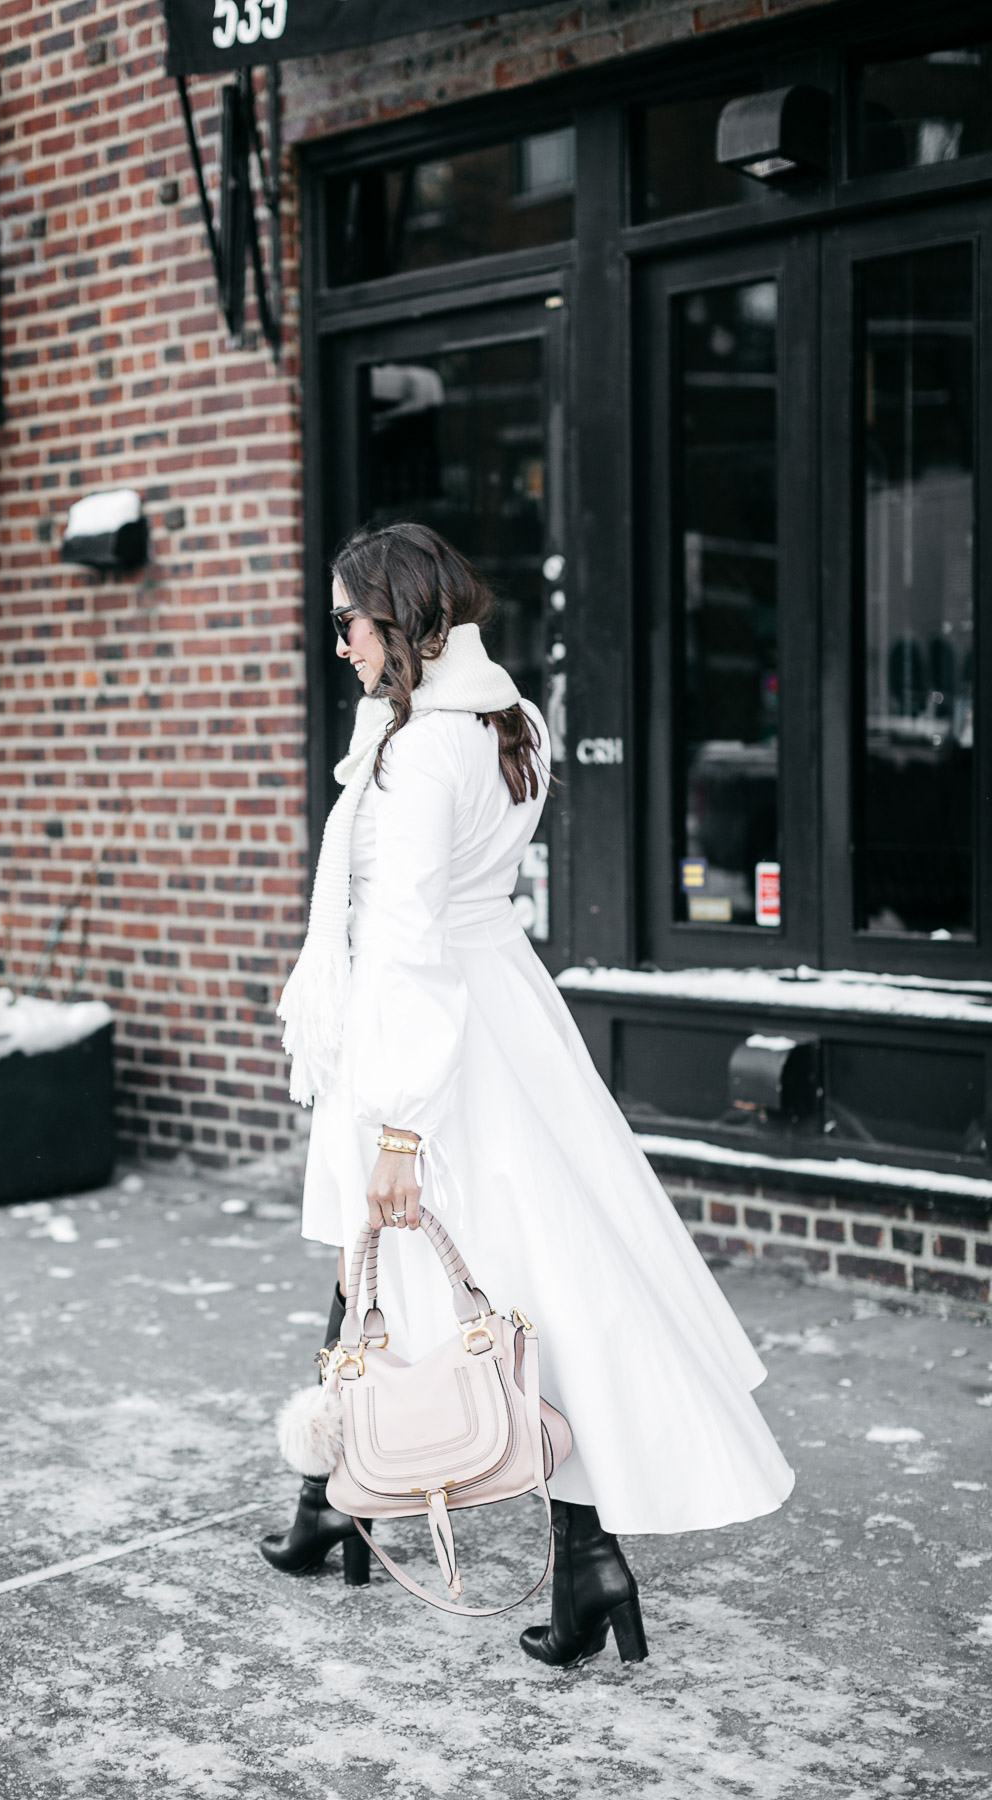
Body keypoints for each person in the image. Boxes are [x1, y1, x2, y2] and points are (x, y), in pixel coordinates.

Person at [260, 522, 794, 1666]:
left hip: (429, 1041)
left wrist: (401, 1116)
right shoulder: (511, 722)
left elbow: (404, 939)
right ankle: (352, 1505)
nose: (338, 643)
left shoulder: (417, 754)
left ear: (400, 622)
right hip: (503, 1014)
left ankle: (379, 1507)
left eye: (349, 621)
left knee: (462, 1288)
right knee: (505, 1281)